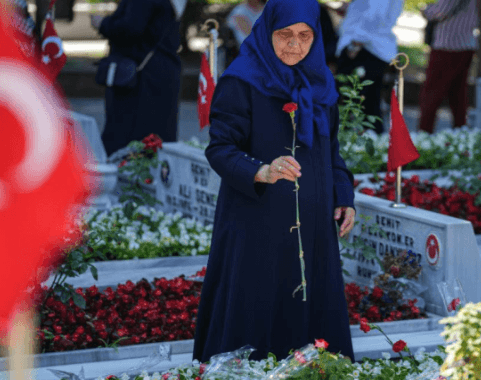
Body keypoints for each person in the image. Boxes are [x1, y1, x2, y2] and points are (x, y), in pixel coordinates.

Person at [192, 0, 357, 363]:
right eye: (285, 35)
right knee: (257, 308)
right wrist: (262, 170)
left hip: (313, 229)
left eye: (304, 36)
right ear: (267, 31)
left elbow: (332, 152)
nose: (295, 45)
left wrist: (344, 195)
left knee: (313, 318)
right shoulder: (242, 79)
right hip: (256, 222)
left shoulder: (321, 83)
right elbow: (220, 148)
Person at [90, 0, 185, 157]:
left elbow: (131, 27)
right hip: (159, 73)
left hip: (140, 78)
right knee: (155, 145)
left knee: (128, 143)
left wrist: (103, 23)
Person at [334, 0, 404, 134]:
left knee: (352, 102)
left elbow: (374, 14)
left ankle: (349, 144)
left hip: (365, 48)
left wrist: (356, 44)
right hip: (374, 48)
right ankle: (375, 146)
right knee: (370, 103)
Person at [417, 0, 478, 133]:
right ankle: (460, 131)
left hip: (447, 45)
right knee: (458, 94)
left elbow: (439, 12)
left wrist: (425, 10)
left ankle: (424, 133)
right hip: (467, 44)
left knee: (431, 93)